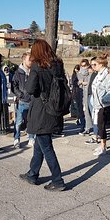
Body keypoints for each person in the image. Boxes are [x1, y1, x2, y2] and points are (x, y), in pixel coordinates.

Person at [19, 39, 66, 191]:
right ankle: (32, 174)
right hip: (54, 109)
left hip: (41, 111)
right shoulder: (58, 65)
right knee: (40, 144)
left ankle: (58, 180)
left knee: (46, 147)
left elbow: (30, 89)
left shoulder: (37, 66)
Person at [91, 54, 110, 156]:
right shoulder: (98, 75)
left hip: (103, 105)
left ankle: (103, 146)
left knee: (101, 126)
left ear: (101, 64)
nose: (93, 66)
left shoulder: (107, 76)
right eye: (92, 65)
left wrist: (103, 100)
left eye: (94, 64)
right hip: (97, 105)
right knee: (99, 125)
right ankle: (102, 144)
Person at [11, 52, 35, 148]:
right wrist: (20, 95)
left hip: (32, 101)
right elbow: (14, 86)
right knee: (19, 121)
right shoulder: (18, 73)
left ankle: (31, 138)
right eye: (29, 60)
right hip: (22, 101)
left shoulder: (33, 72)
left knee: (31, 121)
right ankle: (16, 139)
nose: (31, 62)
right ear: (24, 60)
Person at [77, 59, 92, 135]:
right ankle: (84, 126)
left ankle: (88, 127)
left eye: (85, 66)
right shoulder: (79, 74)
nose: (83, 67)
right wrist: (82, 82)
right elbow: (78, 82)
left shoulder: (90, 73)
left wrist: (83, 83)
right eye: (82, 66)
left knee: (88, 111)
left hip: (88, 94)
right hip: (81, 94)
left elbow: (89, 83)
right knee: (82, 111)